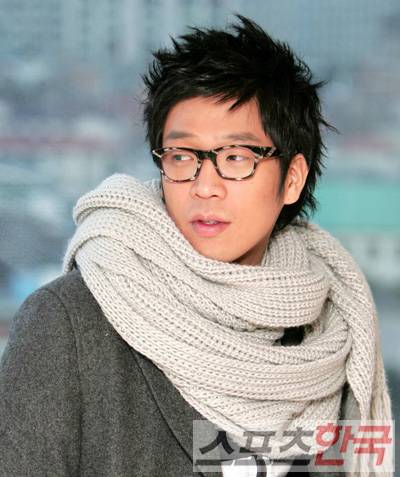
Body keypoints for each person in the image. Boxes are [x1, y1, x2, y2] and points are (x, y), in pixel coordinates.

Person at [0, 14, 393, 477]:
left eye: (236, 158)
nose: (205, 186)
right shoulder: (68, 324)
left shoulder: (333, 333)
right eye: (183, 157)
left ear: (292, 179)